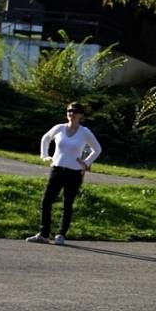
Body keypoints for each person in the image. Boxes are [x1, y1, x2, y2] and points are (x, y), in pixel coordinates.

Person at [25, 102, 102, 246]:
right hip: (57, 170)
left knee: (67, 204)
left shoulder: (85, 132)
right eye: (69, 110)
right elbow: (46, 138)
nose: (71, 113)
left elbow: (97, 149)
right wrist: (45, 155)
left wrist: (85, 162)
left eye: (75, 111)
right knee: (46, 201)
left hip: (74, 173)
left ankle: (61, 235)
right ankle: (44, 234)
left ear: (81, 115)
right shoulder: (59, 128)